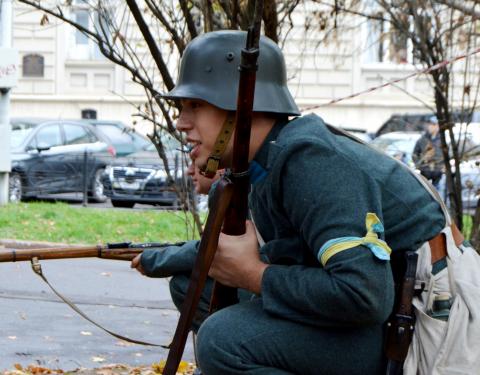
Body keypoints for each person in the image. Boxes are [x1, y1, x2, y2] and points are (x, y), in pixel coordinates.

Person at [135, 31, 447, 375]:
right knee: (192, 286)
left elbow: (364, 296)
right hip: (369, 317)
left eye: (195, 105)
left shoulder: (309, 162)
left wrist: (253, 274)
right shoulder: (264, 165)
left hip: (405, 327)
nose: (181, 122)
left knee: (221, 342)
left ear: (241, 106)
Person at [412, 116, 444, 188]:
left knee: (437, 194)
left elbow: (446, 155)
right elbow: (415, 154)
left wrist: (442, 167)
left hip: (437, 173)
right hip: (425, 172)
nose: (431, 126)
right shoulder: (422, 139)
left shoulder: (442, 140)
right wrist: (419, 165)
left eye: (434, 124)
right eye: (430, 124)